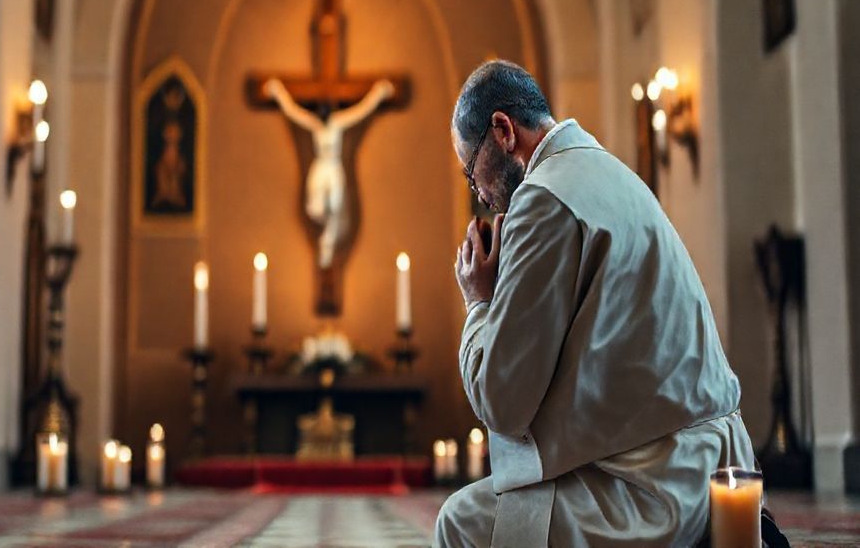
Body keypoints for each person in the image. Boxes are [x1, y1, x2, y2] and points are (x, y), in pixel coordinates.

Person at [440, 60, 755, 546]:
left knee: (460, 520)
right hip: (720, 468)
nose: (479, 193)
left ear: (502, 130)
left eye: (470, 170)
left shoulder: (542, 198)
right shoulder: (608, 170)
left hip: (655, 488)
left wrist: (480, 303)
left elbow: (503, 403)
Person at [264, 77, 395, 269]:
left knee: (334, 205)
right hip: (320, 169)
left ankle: (328, 242)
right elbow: (293, 112)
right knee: (316, 209)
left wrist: (378, 94)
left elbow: (361, 111)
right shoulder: (314, 124)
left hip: (333, 169)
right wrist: (279, 93)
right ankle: (326, 235)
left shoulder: (338, 122)